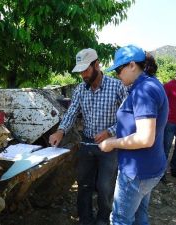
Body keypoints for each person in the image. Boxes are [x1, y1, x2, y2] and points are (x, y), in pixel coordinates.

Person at [49, 48, 127, 225]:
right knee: (84, 184)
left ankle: (102, 219)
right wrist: (60, 131)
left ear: (97, 65)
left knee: (105, 187)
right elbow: (71, 113)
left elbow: (129, 117)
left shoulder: (117, 87)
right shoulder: (80, 90)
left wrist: (109, 132)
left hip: (110, 145)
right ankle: (85, 219)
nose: (83, 75)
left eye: (86, 70)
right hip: (87, 144)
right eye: (81, 71)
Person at [98, 45, 169, 225]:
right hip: (149, 167)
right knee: (139, 215)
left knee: (120, 219)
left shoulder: (143, 91)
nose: (117, 75)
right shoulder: (150, 84)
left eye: (119, 70)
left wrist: (112, 143)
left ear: (131, 65)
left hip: (137, 172)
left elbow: (145, 138)